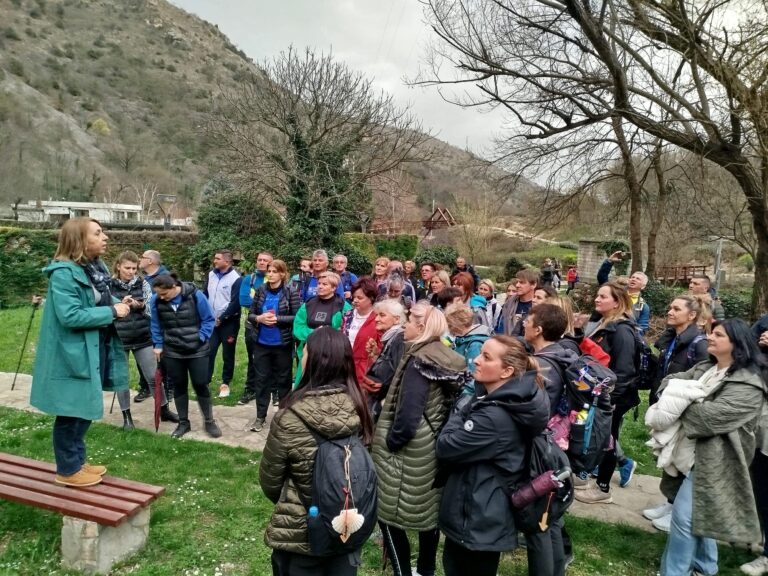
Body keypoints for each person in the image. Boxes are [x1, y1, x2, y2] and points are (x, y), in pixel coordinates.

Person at [259, 327, 375, 576]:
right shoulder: (361, 406)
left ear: (310, 360)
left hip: (302, 531)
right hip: (347, 524)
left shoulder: (289, 416)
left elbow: (270, 480)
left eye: (305, 351)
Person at [656, 319, 766, 576]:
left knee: (684, 520)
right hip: (691, 452)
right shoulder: (707, 368)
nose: (710, 338)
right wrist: (677, 396)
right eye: (710, 332)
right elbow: (668, 382)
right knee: (701, 514)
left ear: (736, 344)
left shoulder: (749, 386)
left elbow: (706, 419)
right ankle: (705, 567)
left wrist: (676, 403)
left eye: (718, 335)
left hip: (718, 461)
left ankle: (674, 572)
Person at [435, 335, 550, 576]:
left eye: (486, 357)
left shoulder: (493, 417)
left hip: (478, 514)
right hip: (486, 506)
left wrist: (461, 409)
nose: (476, 360)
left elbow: (446, 447)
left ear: (507, 371)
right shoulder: (509, 400)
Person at [30, 218, 131, 487]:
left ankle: (77, 460)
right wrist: (111, 312)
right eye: (98, 233)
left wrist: (120, 303)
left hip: (93, 348)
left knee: (84, 407)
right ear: (79, 241)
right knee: (70, 411)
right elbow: (70, 315)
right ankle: (67, 470)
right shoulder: (64, 273)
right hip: (71, 355)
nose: (105, 237)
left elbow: (96, 300)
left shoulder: (93, 268)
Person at [372, 302, 467, 576]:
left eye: (410, 321)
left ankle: (402, 572)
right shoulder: (443, 356)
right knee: (427, 517)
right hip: (431, 447)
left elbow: (408, 414)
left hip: (409, 454)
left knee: (388, 515)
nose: (404, 325)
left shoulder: (419, 361)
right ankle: (425, 570)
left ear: (422, 327)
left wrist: (391, 443)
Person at [574, 282, 638, 504]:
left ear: (617, 302)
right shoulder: (604, 323)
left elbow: (624, 370)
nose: (596, 299)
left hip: (613, 398)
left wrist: (611, 401)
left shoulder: (622, 330)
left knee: (608, 439)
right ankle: (582, 474)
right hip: (595, 395)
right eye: (597, 295)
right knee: (590, 434)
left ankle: (603, 489)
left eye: (603, 296)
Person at [109, 251, 177, 430]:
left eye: (134, 268)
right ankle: (127, 417)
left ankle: (164, 410)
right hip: (118, 337)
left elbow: (150, 310)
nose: (131, 271)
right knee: (121, 379)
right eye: (127, 268)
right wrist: (118, 305)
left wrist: (138, 305)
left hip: (142, 336)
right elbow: (104, 310)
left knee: (153, 377)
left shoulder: (144, 283)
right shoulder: (108, 285)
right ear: (118, 266)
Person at [151, 273, 220, 438]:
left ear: (174, 287)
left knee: (200, 384)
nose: (161, 297)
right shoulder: (156, 300)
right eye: (158, 294)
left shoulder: (195, 295)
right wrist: (158, 345)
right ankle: (183, 423)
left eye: (164, 294)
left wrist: (200, 338)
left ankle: (209, 421)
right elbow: (155, 324)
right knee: (179, 385)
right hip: (173, 351)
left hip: (197, 350)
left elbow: (209, 319)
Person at [246, 260, 301, 433]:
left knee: (283, 381)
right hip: (262, 343)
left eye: (274, 271)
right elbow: (251, 314)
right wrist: (259, 319)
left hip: (282, 344)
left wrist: (278, 319)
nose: (270, 274)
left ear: (282, 274)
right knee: (261, 381)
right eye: (269, 271)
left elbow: (296, 317)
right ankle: (260, 416)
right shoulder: (261, 290)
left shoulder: (290, 291)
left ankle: (282, 418)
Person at [293, 271, 352, 385]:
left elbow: (346, 329)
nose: (320, 286)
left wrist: (327, 335)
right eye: (319, 283)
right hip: (310, 351)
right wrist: (315, 333)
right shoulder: (308, 304)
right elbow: (298, 327)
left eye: (325, 284)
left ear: (334, 287)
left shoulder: (343, 306)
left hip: (332, 353)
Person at [203, 249, 242, 398]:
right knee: (208, 351)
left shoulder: (236, 278)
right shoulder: (211, 275)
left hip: (228, 323)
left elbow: (235, 303)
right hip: (211, 323)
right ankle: (205, 382)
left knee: (228, 354)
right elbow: (205, 294)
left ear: (227, 261)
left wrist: (222, 318)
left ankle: (225, 383)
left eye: (217, 258)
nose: (214, 261)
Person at [361, 299, 407, 421]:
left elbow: (398, 372)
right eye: (376, 315)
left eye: (382, 315)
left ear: (397, 319)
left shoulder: (399, 339)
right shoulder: (391, 338)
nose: (376, 319)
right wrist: (376, 355)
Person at [134, 249, 170, 402]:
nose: (139, 260)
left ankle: (167, 389)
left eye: (142, 257)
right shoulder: (140, 277)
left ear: (150, 261)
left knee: (162, 357)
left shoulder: (165, 277)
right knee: (142, 356)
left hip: (160, 324)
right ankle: (145, 387)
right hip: (141, 323)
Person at [238, 251, 273, 406]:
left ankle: (272, 390)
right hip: (252, 326)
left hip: (272, 326)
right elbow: (243, 300)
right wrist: (264, 306)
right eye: (259, 260)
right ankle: (250, 389)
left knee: (272, 359)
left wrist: (257, 302)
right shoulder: (249, 279)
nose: (261, 262)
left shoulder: (274, 277)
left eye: (265, 260)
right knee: (253, 359)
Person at [444, 302, 492, 398]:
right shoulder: (463, 339)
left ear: (456, 324)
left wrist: (462, 396)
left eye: (449, 324)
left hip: (467, 394)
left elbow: (474, 376)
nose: (447, 327)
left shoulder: (474, 345)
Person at [597, 251, 650, 334]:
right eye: (632, 277)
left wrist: (628, 336)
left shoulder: (643, 307)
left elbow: (642, 328)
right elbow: (602, 278)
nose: (633, 279)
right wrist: (609, 262)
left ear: (643, 286)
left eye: (638, 279)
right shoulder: (616, 293)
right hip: (605, 332)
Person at [341, 277, 381, 385]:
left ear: (371, 298)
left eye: (360, 297)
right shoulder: (347, 315)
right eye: (354, 297)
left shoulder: (378, 318)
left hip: (365, 371)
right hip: (343, 368)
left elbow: (381, 348)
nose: (355, 300)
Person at [498, 268, 538, 336]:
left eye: (522, 282)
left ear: (533, 285)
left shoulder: (539, 305)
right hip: (508, 342)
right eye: (517, 282)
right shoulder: (508, 304)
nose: (517, 285)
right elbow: (500, 327)